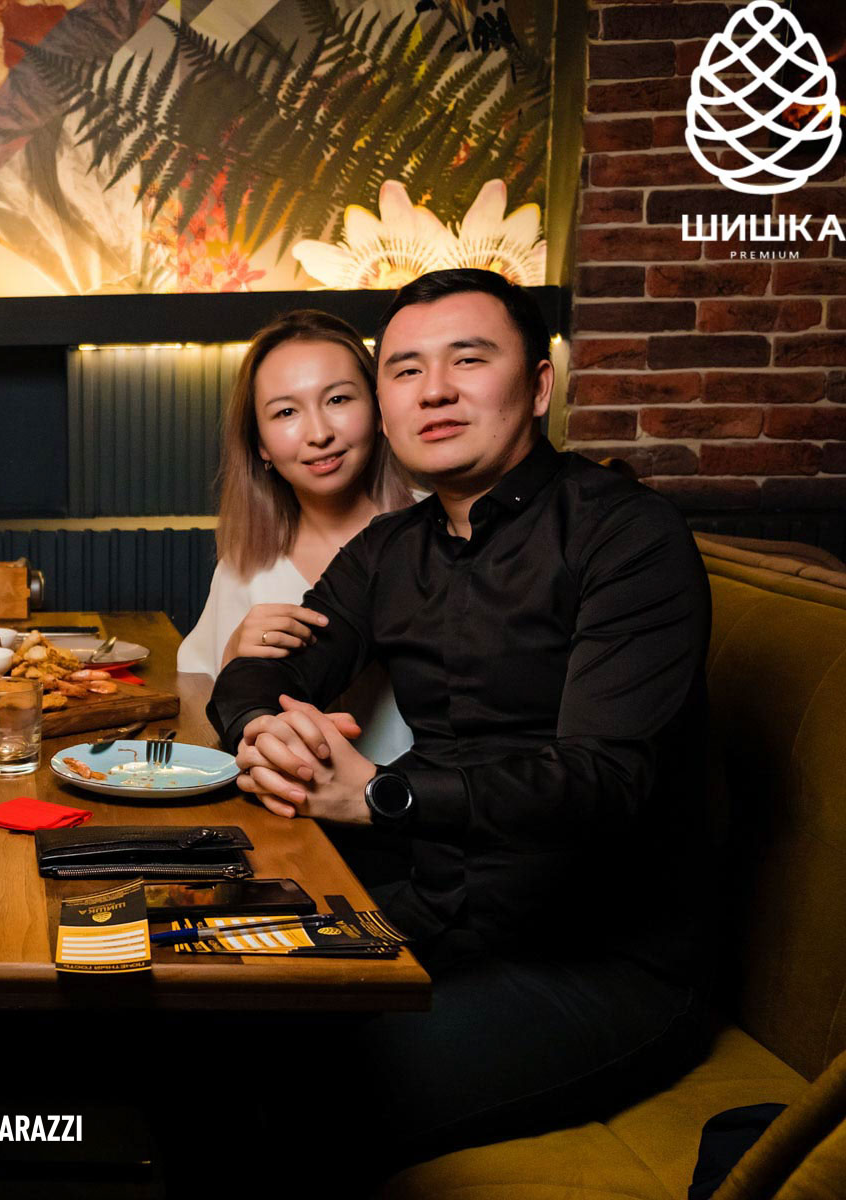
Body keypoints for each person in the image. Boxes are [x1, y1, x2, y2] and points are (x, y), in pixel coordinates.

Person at [206, 270, 711, 1185]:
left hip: (592, 959)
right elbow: (266, 667)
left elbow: (606, 780)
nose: (433, 390)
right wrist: (258, 725)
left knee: (295, 1101)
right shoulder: (390, 550)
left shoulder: (627, 535)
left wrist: (385, 795)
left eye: (467, 360)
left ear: (540, 385)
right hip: (428, 904)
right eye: (406, 370)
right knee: (189, 1015)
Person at [177, 310, 416, 766]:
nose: (319, 434)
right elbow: (197, 692)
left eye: (338, 399)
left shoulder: (445, 528)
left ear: (378, 409)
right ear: (261, 445)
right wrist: (232, 655)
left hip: (425, 800)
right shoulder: (246, 565)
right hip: (285, 799)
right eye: (286, 412)